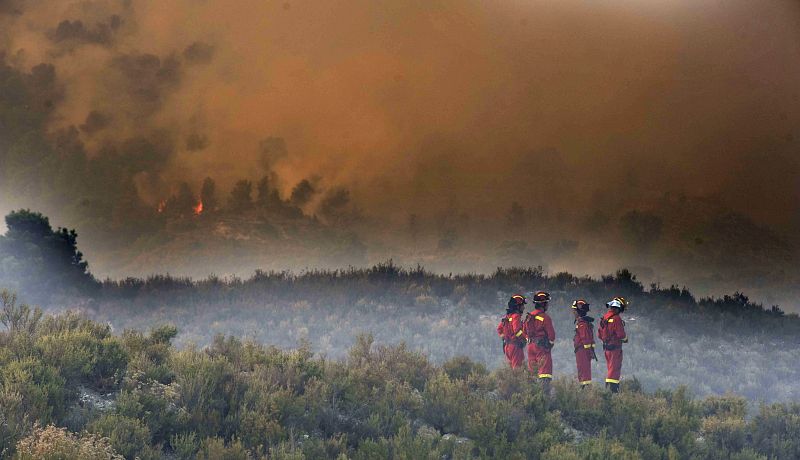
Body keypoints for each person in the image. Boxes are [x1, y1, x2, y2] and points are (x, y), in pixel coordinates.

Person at [523, 291, 555, 393]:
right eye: (547, 303)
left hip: (530, 346)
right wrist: (550, 344)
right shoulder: (545, 318)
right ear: (543, 304)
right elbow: (552, 336)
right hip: (541, 348)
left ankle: (531, 395)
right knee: (545, 373)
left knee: (532, 374)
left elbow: (524, 332)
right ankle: (543, 397)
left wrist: (528, 338)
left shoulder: (529, 316)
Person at [598, 297, 628, 393]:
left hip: (607, 349)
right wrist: (625, 339)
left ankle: (609, 390)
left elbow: (599, 334)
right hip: (615, 349)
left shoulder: (604, 318)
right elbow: (621, 335)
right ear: (618, 307)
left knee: (610, 368)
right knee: (614, 369)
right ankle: (613, 391)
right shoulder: (616, 319)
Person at [497, 295, 527, 369]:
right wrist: (525, 338)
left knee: (510, 371)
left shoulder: (508, 317)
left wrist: (505, 337)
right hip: (515, 347)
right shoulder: (516, 316)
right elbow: (517, 331)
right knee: (518, 370)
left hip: (507, 347)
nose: (523, 307)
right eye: (522, 305)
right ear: (517, 306)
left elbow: (499, 329)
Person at [571, 299, 597, 388]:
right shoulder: (584, 323)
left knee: (583, 371)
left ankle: (584, 390)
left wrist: (588, 351)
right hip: (584, 351)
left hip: (582, 351)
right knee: (584, 370)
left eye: (574, 311)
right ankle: (585, 388)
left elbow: (585, 339)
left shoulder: (582, 324)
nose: (573, 313)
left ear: (579, 312)